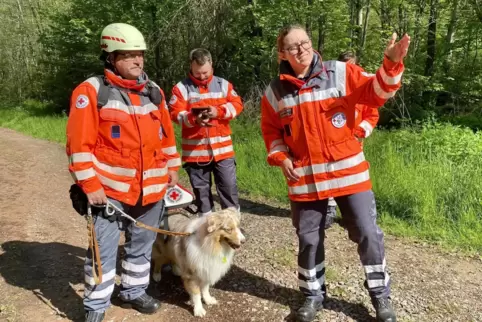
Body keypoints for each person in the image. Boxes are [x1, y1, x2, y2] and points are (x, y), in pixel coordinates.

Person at [260, 24, 409, 322]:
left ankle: (381, 297)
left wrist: (391, 64)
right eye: (293, 47)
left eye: (305, 43)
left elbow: (379, 92)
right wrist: (280, 156)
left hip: (350, 177)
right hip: (305, 182)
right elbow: (271, 132)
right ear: (282, 54)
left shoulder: (340, 72)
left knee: (368, 234)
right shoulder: (274, 92)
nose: (301, 50)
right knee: (309, 240)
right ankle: (312, 296)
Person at [66, 23, 181, 322]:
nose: (137, 61)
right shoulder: (91, 91)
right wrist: (89, 184)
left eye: (140, 54)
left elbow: (167, 137)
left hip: (152, 191)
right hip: (110, 193)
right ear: (111, 57)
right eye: (129, 55)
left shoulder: (154, 91)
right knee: (102, 252)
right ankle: (96, 306)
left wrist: (173, 167)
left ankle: (133, 291)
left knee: (142, 245)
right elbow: (79, 146)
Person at [168, 48, 243, 216]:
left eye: (205, 73)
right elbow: (174, 114)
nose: (202, 77)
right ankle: (206, 231)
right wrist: (194, 119)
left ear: (211, 65)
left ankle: (233, 227)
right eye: (197, 73)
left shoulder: (223, 84)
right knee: (202, 194)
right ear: (190, 67)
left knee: (229, 188)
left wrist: (219, 112)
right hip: (195, 152)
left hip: (223, 151)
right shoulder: (180, 88)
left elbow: (237, 105)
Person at [325, 51, 381, 229]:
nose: (350, 69)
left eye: (352, 65)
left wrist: (360, 131)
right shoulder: (327, 88)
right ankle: (329, 209)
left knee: (356, 180)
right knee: (329, 175)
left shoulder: (361, 87)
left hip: (354, 146)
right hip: (331, 147)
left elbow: (371, 115)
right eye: (346, 65)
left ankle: (357, 214)